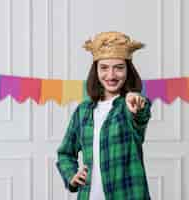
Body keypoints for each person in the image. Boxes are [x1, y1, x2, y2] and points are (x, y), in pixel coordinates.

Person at [56, 31, 152, 200]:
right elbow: (65, 153)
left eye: (119, 68)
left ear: (128, 71)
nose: (111, 75)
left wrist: (136, 104)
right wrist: (71, 175)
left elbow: (140, 117)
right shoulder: (83, 111)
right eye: (104, 67)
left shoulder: (129, 106)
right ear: (96, 70)